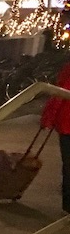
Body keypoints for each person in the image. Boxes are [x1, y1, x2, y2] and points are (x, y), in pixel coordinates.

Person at [41, 60, 70, 213]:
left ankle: (68, 205)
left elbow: (59, 95)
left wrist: (48, 120)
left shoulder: (68, 69)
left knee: (69, 165)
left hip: (67, 124)